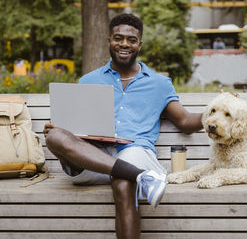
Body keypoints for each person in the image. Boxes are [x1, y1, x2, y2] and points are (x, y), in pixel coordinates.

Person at [43, 13, 202, 239]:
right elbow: (72, 127)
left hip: (135, 151)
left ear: (139, 44)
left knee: (123, 182)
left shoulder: (158, 83)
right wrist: (58, 128)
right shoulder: (88, 81)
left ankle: (131, 173)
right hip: (92, 157)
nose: (124, 44)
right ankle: (142, 177)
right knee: (54, 137)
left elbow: (185, 121)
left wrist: (221, 110)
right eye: (118, 38)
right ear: (109, 40)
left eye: (132, 39)